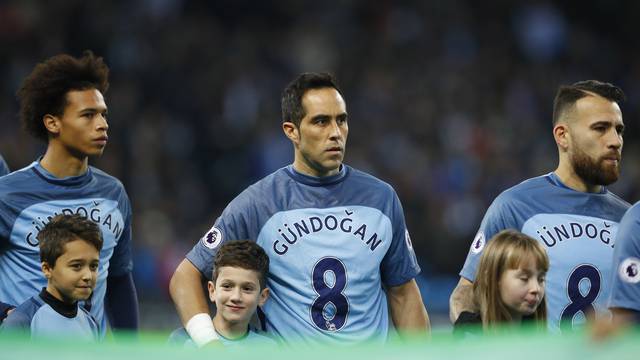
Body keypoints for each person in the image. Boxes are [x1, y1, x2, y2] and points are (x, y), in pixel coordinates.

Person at [170, 72, 429, 346]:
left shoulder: (381, 199)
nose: (335, 133)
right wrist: (209, 345)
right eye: (321, 121)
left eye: (341, 120)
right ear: (291, 130)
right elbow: (185, 277)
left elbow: (404, 294)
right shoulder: (259, 204)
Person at [450, 80, 630, 332]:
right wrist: (468, 332)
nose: (615, 141)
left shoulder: (631, 220)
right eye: (600, 128)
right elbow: (467, 291)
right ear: (562, 135)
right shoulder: (515, 207)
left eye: (619, 130)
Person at [0, 51, 138, 335]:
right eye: (88, 115)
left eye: (103, 114)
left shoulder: (114, 194)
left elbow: (119, 281)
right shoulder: (8, 196)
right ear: (53, 123)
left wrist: (131, 349)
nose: (102, 124)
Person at [1, 214, 101, 340]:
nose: (88, 276)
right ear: (47, 269)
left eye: (93, 266)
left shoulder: (91, 324)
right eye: (76, 266)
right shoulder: (21, 323)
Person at [169, 240, 277, 347]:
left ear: (262, 297)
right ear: (212, 291)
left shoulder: (269, 347)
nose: (236, 297)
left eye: (247, 288)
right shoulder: (182, 342)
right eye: (227, 286)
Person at [453, 230, 548, 336]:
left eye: (541, 279)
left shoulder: (538, 335)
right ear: (493, 278)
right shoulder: (469, 331)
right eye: (524, 278)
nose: (536, 288)